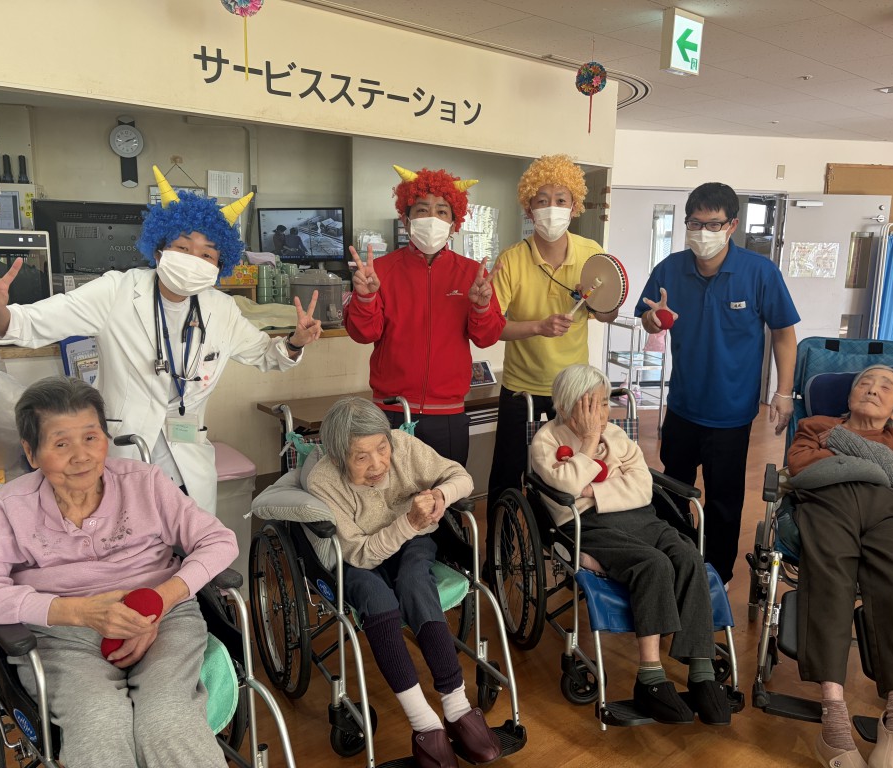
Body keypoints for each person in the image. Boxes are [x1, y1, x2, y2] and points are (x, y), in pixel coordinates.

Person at [0, 166, 323, 515]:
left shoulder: (222, 309)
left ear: (219, 265)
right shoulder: (117, 291)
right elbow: (35, 322)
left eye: (206, 255)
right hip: (125, 453)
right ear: (158, 251)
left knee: (189, 542)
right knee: (129, 540)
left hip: (188, 459)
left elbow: (267, 354)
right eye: (182, 247)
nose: (193, 261)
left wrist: (295, 341)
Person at [0, 377, 239, 768]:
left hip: (164, 618)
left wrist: (157, 602)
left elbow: (220, 541)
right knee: (99, 721)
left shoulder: (145, 482)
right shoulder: (12, 506)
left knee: (168, 718)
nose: (81, 456)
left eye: (91, 437)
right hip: (63, 637)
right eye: (61, 444)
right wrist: (78, 612)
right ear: (31, 453)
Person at [530, 365, 730, 727]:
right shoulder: (545, 441)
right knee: (653, 563)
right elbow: (567, 494)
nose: (603, 413)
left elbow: (642, 487)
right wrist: (589, 442)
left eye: (606, 403)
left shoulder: (618, 435)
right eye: (593, 404)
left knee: (688, 555)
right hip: (588, 525)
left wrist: (593, 490)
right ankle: (650, 677)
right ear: (568, 405)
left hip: (642, 518)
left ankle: (701, 671)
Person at [307, 397, 501, 768]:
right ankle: (424, 724)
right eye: (361, 457)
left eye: (382, 448)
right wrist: (408, 523)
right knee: (377, 599)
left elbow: (462, 477)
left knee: (415, 582)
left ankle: (457, 707)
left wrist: (441, 494)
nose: (378, 464)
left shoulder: (404, 446)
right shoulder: (324, 481)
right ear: (337, 456)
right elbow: (360, 554)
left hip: (412, 542)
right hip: (360, 556)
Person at [637, 181, 799, 585]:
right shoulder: (669, 269)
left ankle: (716, 575)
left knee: (724, 500)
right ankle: (676, 564)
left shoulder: (759, 273)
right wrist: (652, 321)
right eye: (695, 223)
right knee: (672, 492)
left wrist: (783, 392)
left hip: (731, 412)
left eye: (713, 224)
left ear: (732, 226)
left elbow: (783, 334)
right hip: (683, 405)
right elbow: (648, 318)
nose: (703, 232)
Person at [786, 365, 893, 768]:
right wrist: (883, 467)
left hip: (889, 515)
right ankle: (833, 716)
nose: (872, 389)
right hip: (828, 505)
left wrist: (844, 448)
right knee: (829, 580)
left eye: (885, 386)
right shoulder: (815, 425)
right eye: (864, 382)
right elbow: (802, 468)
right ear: (849, 396)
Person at [345, 165, 504, 466]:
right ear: (405, 220)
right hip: (391, 411)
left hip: (448, 414)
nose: (432, 218)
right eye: (422, 210)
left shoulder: (472, 274)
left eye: (442, 211)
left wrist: (482, 307)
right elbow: (364, 334)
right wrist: (365, 297)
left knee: (447, 493)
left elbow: (487, 337)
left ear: (454, 224)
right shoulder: (381, 271)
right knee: (387, 493)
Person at [487, 154, 618, 510]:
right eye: (542, 201)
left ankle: (558, 534)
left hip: (575, 390)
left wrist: (598, 301)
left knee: (571, 471)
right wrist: (538, 327)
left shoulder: (592, 253)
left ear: (574, 207)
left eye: (561, 200)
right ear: (529, 210)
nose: (552, 209)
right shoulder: (511, 260)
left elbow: (607, 314)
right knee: (507, 473)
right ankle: (499, 538)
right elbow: (492, 328)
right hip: (521, 389)